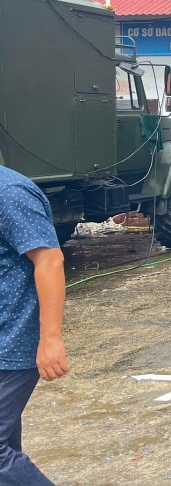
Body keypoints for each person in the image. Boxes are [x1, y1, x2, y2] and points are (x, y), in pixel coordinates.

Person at [0, 165, 69, 484]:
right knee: (6, 446)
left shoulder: (9, 194)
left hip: (13, 343)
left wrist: (51, 339)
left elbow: (50, 261)